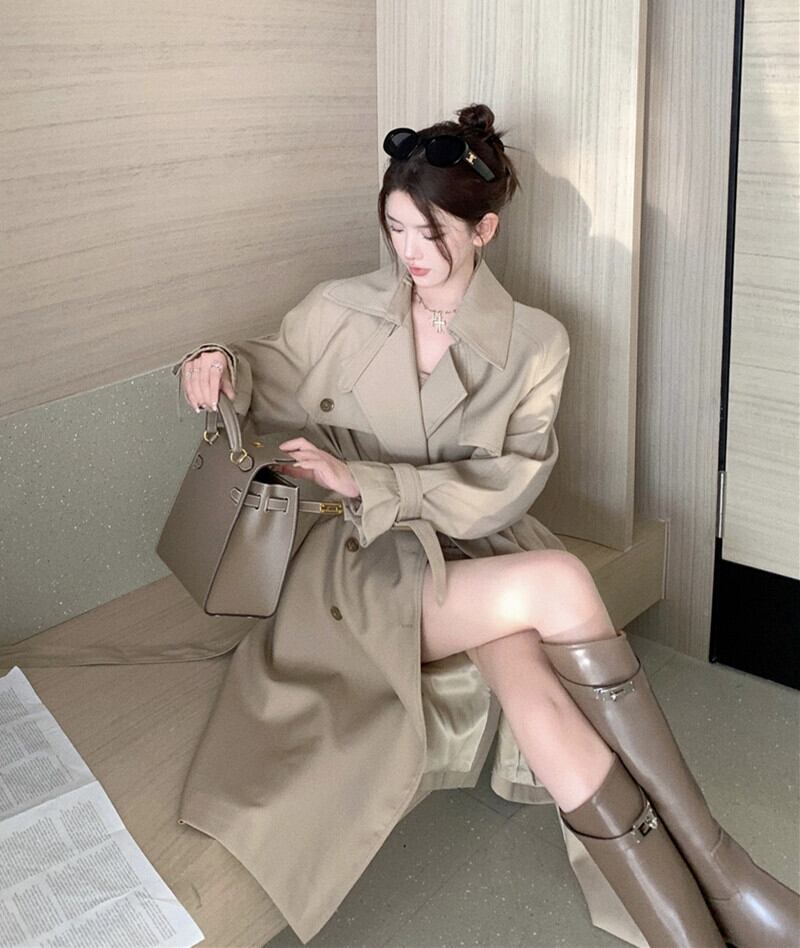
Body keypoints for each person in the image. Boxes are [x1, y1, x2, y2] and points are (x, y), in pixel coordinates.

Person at [177, 103, 798, 946]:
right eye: (396, 228)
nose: (409, 252)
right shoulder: (342, 309)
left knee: (533, 681)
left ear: (485, 229)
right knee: (560, 582)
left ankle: (688, 926)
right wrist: (214, 360)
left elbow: (509, 485)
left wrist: (379, 478)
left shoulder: (537, 343)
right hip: (357, 560)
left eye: (430, 233)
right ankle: (724, 871)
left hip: (473, 545)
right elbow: (263, 367)